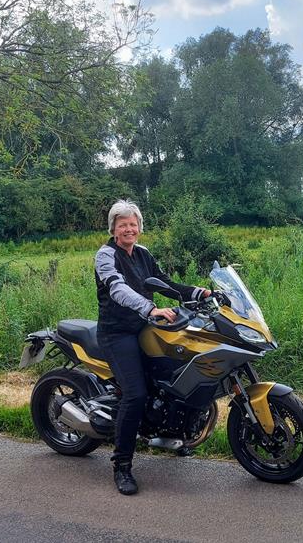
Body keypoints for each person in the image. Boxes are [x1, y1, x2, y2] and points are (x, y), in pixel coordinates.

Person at [94, 199, 211, 495]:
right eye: (123, 225)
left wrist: (201, 293)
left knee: (173, 375)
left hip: (145, 327)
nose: (129, 229)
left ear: (139, 228)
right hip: (117, 332)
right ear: (113, 228)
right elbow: (117, 288)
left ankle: (175, 433)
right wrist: (150, 309)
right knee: (135, 394)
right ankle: (122, 467)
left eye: (133, 224)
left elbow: (163, 283)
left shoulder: (143, 254)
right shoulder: (106, 255)